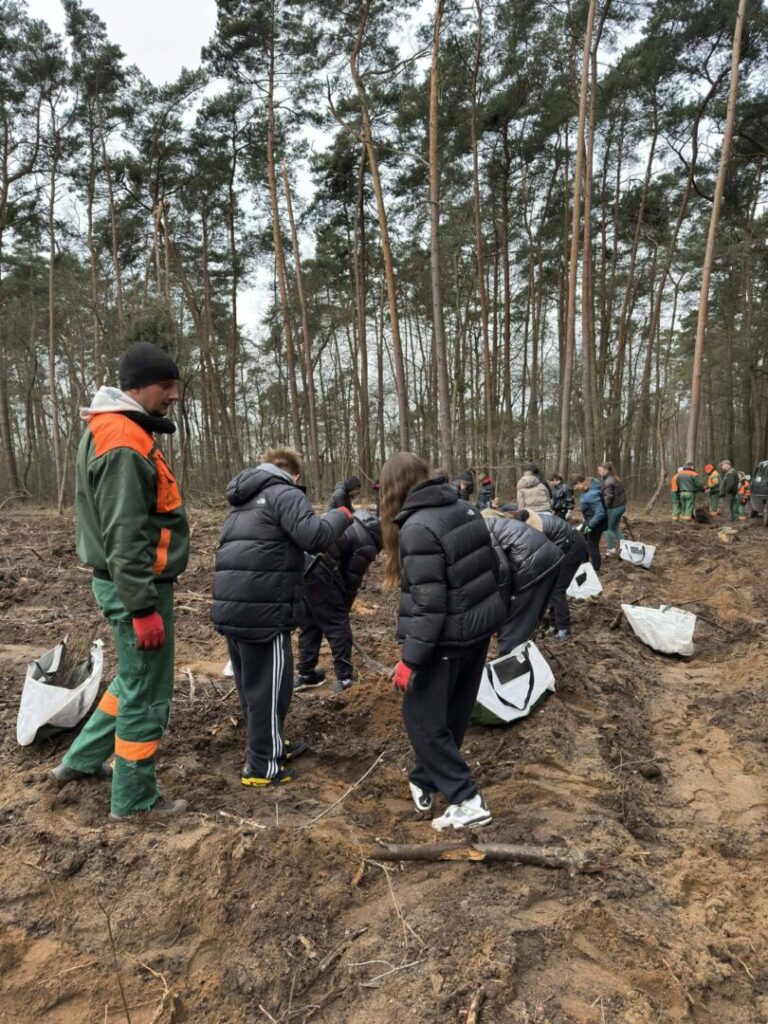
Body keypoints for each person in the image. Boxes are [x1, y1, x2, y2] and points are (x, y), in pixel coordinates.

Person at [50, 342, 190, 820]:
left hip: (127, 584)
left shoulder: (114, 429)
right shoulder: (124, 442)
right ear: (137, 387)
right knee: (147, 693)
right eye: (165, 386)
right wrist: (143, 607)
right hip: (137, 588)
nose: (173, 396)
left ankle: (80, 761)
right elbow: (125, 534)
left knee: (133, 679)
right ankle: (134, 799)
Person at [211, 448, 352, 786]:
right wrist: (342, 515)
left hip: (234, 608)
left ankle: (269, 743)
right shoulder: (285, 493)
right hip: (265, 612)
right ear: (295, 476)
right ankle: (262, 766)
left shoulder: (241, 501)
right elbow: (314, 537)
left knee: (252, 688)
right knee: (271, 689)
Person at [380, 453, 503, 831]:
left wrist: (410, 661)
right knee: (451, 715)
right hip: (475, 634)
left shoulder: (417, 528)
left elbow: (429, 606)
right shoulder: (464, 508)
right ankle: (425, 778)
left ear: (393, 489)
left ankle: (467, 800)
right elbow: (495, 568)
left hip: (447, 640)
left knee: (421, 721)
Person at [296, 510, 382, 693]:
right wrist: (343, 609)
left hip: (304, 564)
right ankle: (345, 678)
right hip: (321, 570)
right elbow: (351, 580)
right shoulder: (367, 544)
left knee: (310, 622)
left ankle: (306, 673)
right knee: (337, 624)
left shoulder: (355, 525)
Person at [481, 505, 563, 653]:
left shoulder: (480, 533)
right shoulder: (487, 524)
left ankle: (510, 664)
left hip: (532, 564)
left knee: (513, 627)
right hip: (550, 556)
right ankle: (526, 657)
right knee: (528, 621)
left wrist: (503, 609)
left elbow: (502, 570)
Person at [533, 511, 589, 640]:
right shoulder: (535, 520)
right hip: (565, 545)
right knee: (551, 586)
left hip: (573, 546)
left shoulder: (536, 529)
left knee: (557, 589)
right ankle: (554, 624)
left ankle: (564, 628)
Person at [573, 476, 607, 571]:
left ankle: (596, 569)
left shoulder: (593, 493)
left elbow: (600, 513)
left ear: (579, 482)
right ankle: (585, 564)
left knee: (592, 546)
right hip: (588, 521)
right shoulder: (586, 490)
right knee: (582, 540)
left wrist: (590, 526)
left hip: (595, 524)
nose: (575, 489)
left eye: (575, 486)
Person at [597, 462, 627, 555]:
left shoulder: (608, 481)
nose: (599, 472)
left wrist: (603, 509)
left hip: (614, 507)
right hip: (621, 506)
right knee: (615, 528)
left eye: (600, 470)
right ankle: (625, 547)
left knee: (607, 528)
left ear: (606, 470)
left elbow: (608, 497)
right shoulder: (612, 478)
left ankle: (611, 548)